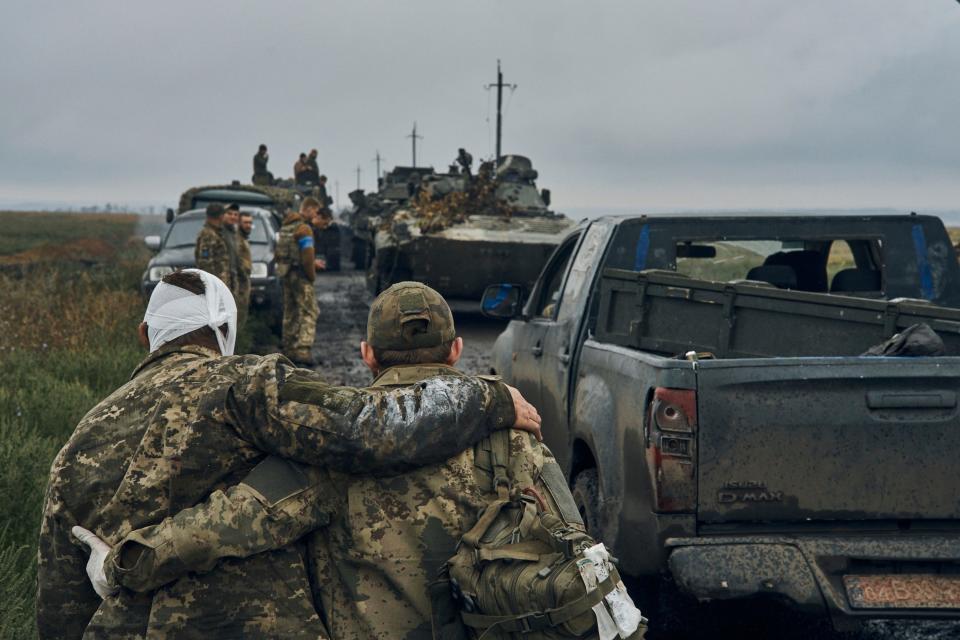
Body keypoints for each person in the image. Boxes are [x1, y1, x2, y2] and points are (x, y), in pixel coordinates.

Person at [75, 283, 638, 640]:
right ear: (457, 350)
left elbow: (229, 524)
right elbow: (573, 549)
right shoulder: (517, 436)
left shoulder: (335, 452)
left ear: (367, 355)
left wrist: (124, 563)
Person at [276, 197, 321, 364]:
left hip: (286, 272)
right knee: (310, 310)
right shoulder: (304, 229)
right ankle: (303, 349)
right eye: (315, 211)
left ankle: (288, 347)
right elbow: (307, 257)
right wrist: (312, 275)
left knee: (291, 310)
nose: (316, 215)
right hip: (301, 275)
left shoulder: (286, 226)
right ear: (308, 209)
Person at [194, 203, 231, 285]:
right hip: (214, 284)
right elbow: (205, 263)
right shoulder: (208, 235)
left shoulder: (216, 233)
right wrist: (212, 284)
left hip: (219, 283)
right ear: (221, 216)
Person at [236, 210, 253, 327]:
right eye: (245, 222)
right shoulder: (237, 239)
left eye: (250, 223)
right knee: (239, 315)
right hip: (239, 282)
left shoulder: (243, 238)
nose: (248, 225)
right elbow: (237, 260)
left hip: (244, 280)